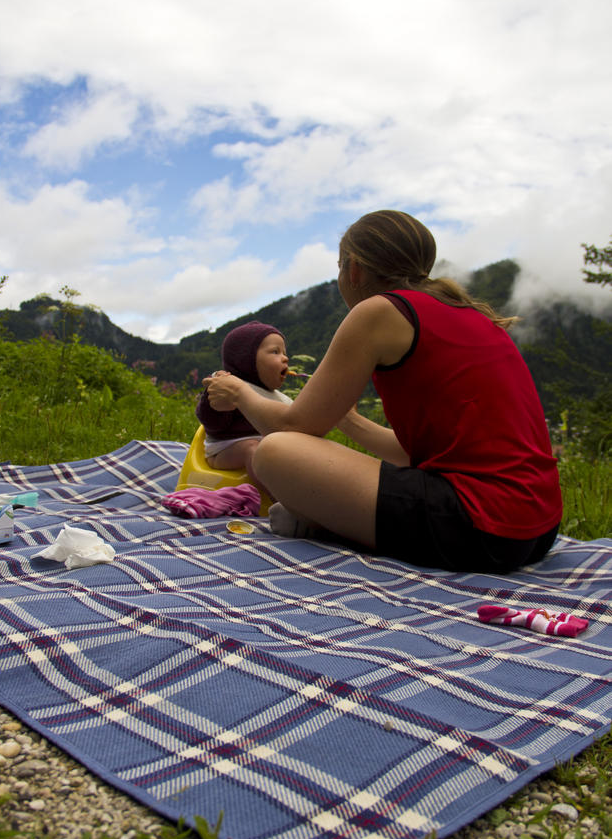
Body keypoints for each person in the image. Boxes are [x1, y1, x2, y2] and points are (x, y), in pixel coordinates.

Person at [203, 210, 562, 573]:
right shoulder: (471, 315)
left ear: (354, 269)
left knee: (276, 452)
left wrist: (240, 393)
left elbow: (293, 428)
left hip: (479, 527)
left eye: (340, 266)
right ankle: (331, 520)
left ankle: (327, 523)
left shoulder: (381, 311)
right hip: (537, 529)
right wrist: (350, 420)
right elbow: (418, 454)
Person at [196, 321, 292, 492]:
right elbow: (211, 421)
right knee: (252, 449)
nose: (285, 358)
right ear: (246, 360)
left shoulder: (278, 397)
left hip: (267, 447)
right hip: (225, 450)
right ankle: (281, 499)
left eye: (284, 352)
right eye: (275, 352)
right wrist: (213, 398)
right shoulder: (229, 387)